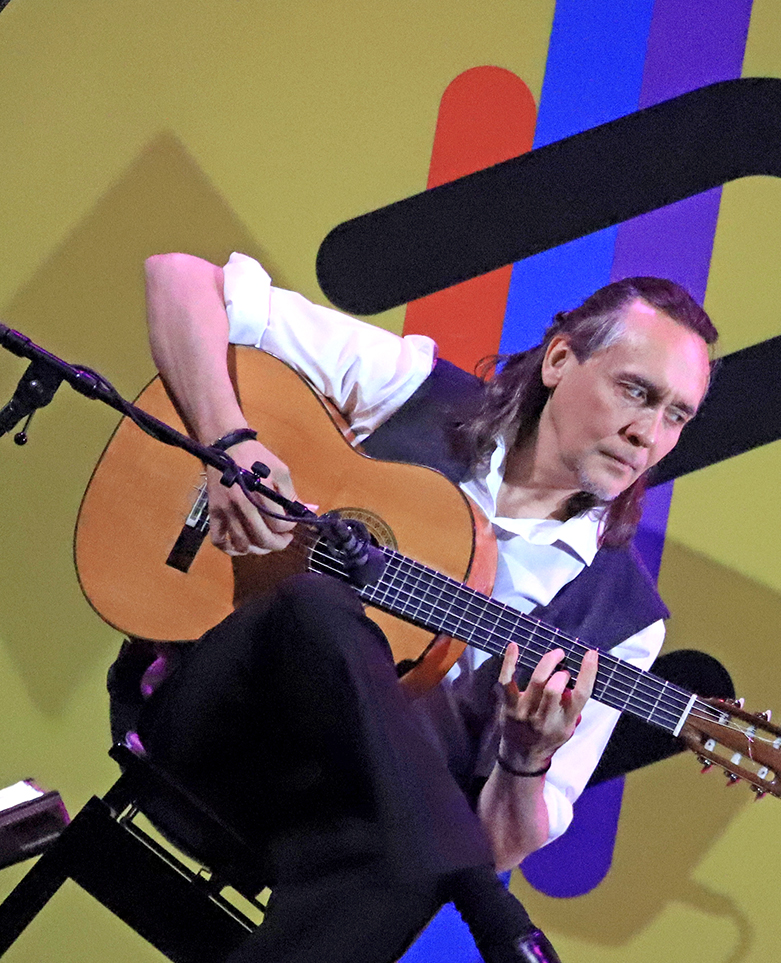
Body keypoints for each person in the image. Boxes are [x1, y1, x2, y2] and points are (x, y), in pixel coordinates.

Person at [107, 251, 727, 963]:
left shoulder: (623, 622)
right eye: (636, 392)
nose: (649, 433)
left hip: (342, 831)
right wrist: (230, 445)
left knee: (420, 858)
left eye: (677, 413)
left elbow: (492, 841)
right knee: (316, 603)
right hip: (214, 728)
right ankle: (499, 923)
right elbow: (177, 277)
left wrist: (524, 759)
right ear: (560, 359)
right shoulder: (415, 390)